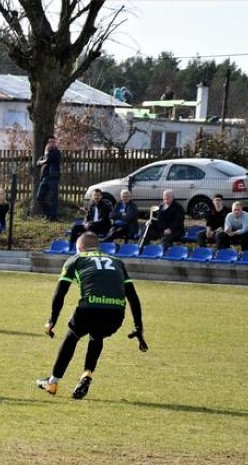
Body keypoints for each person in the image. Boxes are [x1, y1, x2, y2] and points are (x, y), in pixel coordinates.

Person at [37, 231, 146, 400]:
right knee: (97, 335)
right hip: (116, 312)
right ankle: (86, 374)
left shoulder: (76, 259)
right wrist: (139, 326)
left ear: (79, 247)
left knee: (72, 336)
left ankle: (53, 382)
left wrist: (52, 320)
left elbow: (60, 293)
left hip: (90, 308)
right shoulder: (117, 261)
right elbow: (132, 296)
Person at [35, 135, 61, 221]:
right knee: (39, 197)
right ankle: (48, 214)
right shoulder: (45, 154)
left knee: (54, 199)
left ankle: (53, 217)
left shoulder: (56, 153)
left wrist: (46, 154)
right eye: (49, 142)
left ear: (55, 143)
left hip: (53, 178)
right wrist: (43, 161)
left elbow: (47, 159)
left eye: (53, 142)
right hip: (45, 178)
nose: (51, 144)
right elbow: (38, 162)